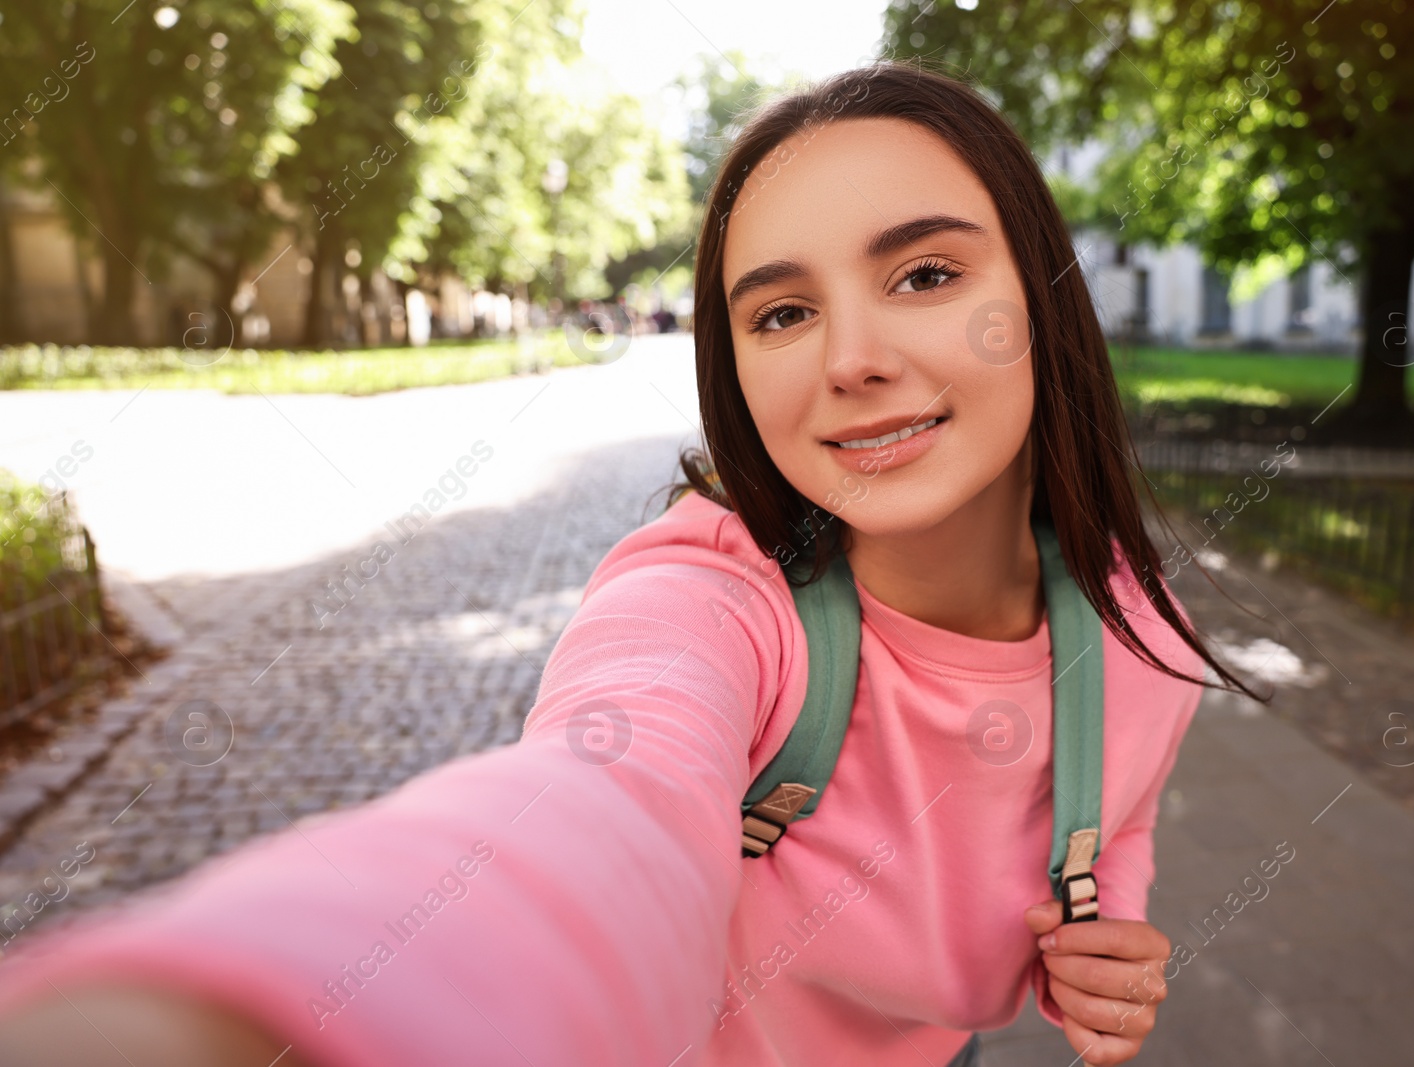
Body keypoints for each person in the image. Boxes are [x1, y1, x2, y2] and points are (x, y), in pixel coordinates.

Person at [0, 61, 1259, 1066]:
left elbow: (1122, 813)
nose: (851, 357)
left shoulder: (1140, 630)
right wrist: (244, 1005)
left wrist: (1106, 944)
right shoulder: (714, 595)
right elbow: (598, 808)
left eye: (925, 273)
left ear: (1040, 294)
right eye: (781, 310)